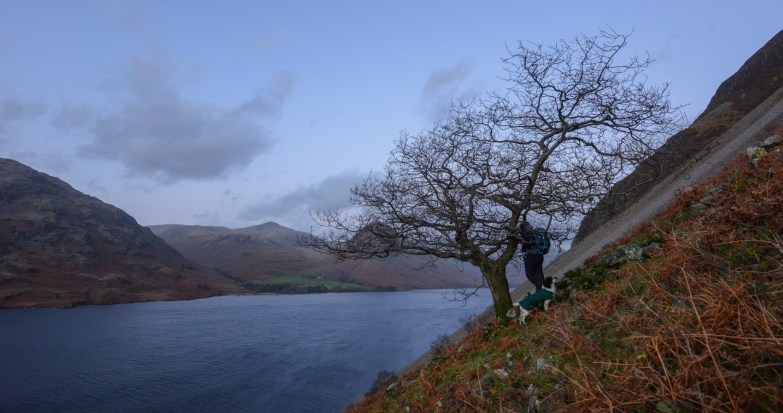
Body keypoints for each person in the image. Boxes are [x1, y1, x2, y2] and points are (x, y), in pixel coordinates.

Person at [520, 221, 547, 291]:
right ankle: (540, 290)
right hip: (540, 256)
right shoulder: (537, 233)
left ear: (524, 228)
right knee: (539, 273)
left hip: (531, 256)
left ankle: (542, 286)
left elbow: (524, 248)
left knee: (530, 274)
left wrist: (523, 246)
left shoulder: (527, 234)